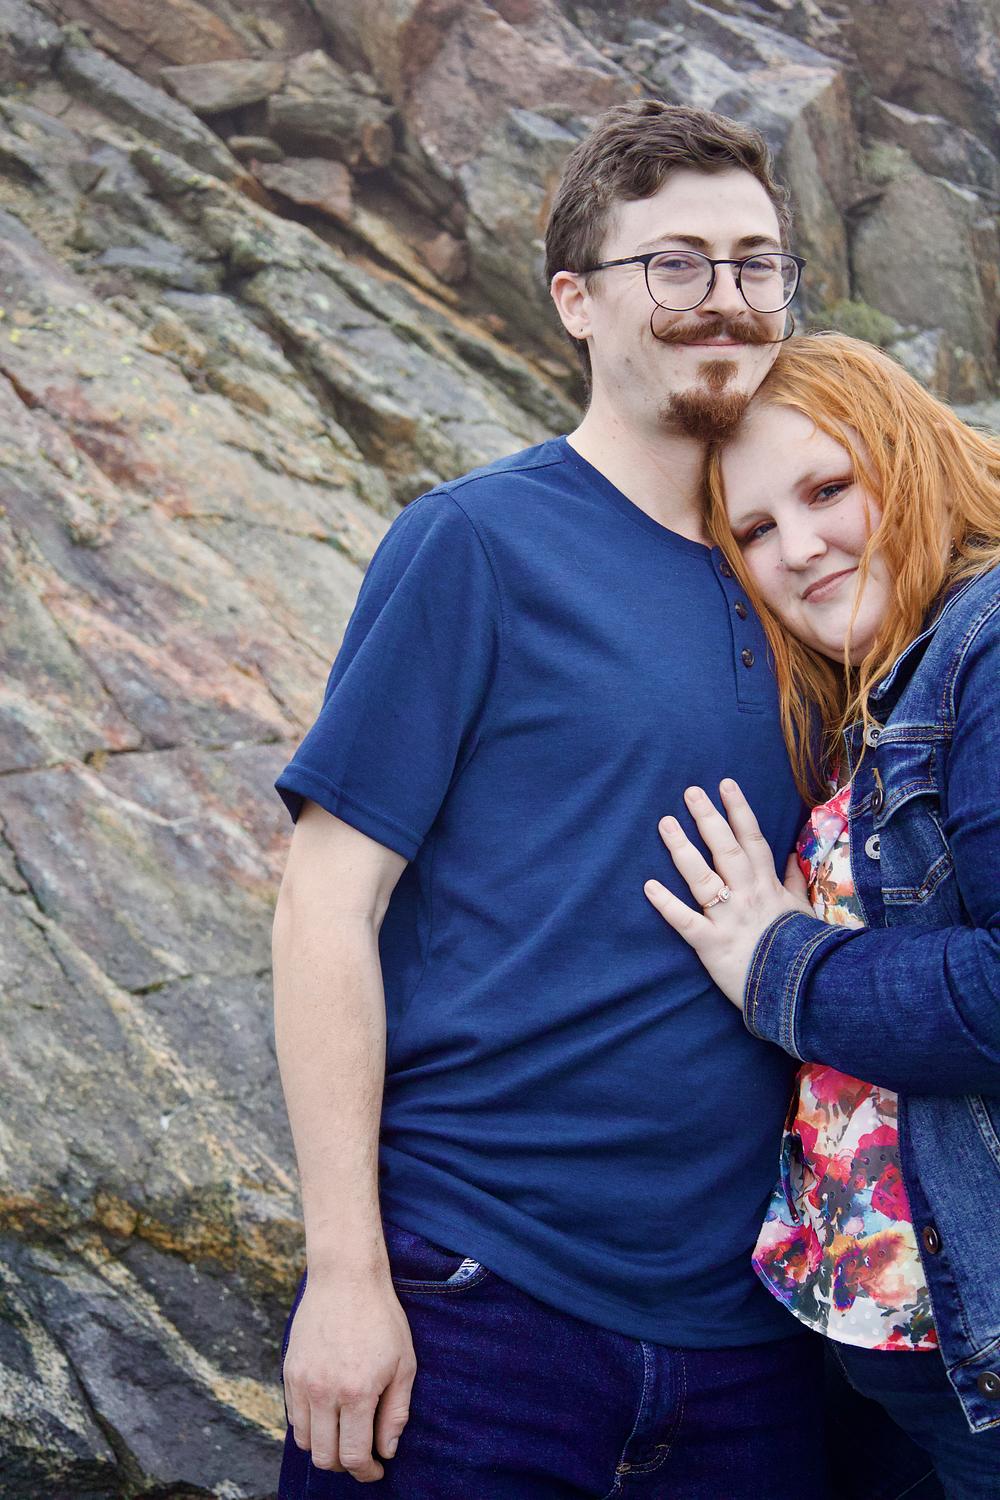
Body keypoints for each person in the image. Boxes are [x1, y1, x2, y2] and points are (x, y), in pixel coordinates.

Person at [271, 98, 825, 1499]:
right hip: (477, 1306)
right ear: (578, 302)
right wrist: (345, 1275)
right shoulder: (476, 544)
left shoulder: (814, 574)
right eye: (675, 263)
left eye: (756, 262)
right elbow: (326, 906)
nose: (725, 298)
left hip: (764, 1340)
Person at [644, 332, 1000, 1499]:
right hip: (879, 1347)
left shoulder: (987, 642)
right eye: (753, 529)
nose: (796, 549)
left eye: (828, 490)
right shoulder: (887, 683)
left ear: (907, 457)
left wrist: (777, 963)